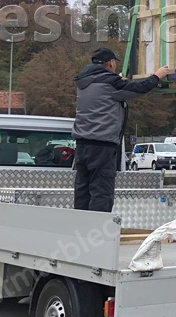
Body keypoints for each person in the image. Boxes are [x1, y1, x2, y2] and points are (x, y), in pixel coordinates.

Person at [72, 48, 169, 212]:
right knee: (101, 190)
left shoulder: (84, 81)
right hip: (102, 145)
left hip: (82, 144)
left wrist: (117, 80)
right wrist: (157, 75)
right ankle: (97, 230)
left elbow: (109, 90)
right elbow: (139, 87)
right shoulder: (111, 83)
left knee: (83, 188)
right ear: (110, 63)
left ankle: (81, 226)